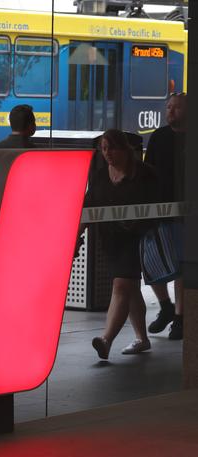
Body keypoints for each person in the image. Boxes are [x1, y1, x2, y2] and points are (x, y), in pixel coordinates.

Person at [84, 130, 159, 360]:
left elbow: (156, 207)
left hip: (137, 239)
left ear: (125, 149)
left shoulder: (145, 175)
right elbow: (89, 206)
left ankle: (106, 340)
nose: (107, 153)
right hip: (112, 241)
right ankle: (141, 338)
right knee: (131, 289)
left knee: (121, 286)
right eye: (104, 148)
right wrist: (78, 234)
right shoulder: (99, 175)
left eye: (112, 148)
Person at [143, 92, 187, 340]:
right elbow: (149, 172)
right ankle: (166, 306)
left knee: (182, 266)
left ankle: (179, 316)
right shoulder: (159, 137)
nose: (170, 111)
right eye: (168, 107)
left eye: (176, 108)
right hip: (159, 209)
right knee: (151, 262)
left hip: (185, 212)